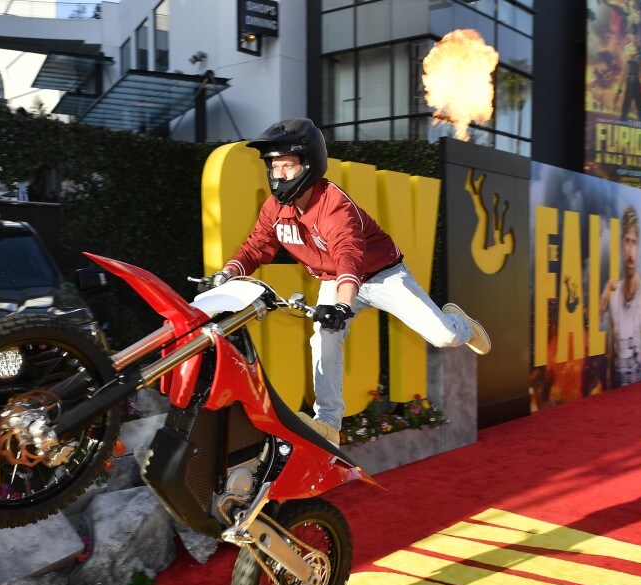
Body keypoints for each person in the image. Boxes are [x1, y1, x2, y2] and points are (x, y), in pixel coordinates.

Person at [206, 118, 490, 444]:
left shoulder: (335, 206)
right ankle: (327, 424)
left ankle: (462, 325)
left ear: (309, 166)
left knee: (443, 336)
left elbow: (348, 257)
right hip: (336, 280)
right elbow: (256, 247)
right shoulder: (275, 208)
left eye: (288, 166)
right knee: (323, 337)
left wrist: (342, 305)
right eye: (274, 166)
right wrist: (225, 274)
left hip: (381, 276)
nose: (279, 174)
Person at [600, 205, 641, 387]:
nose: (630, 251)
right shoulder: (615, 301)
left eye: (635, 242)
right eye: (627, 241)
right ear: (622, 243)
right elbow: (611, 357)